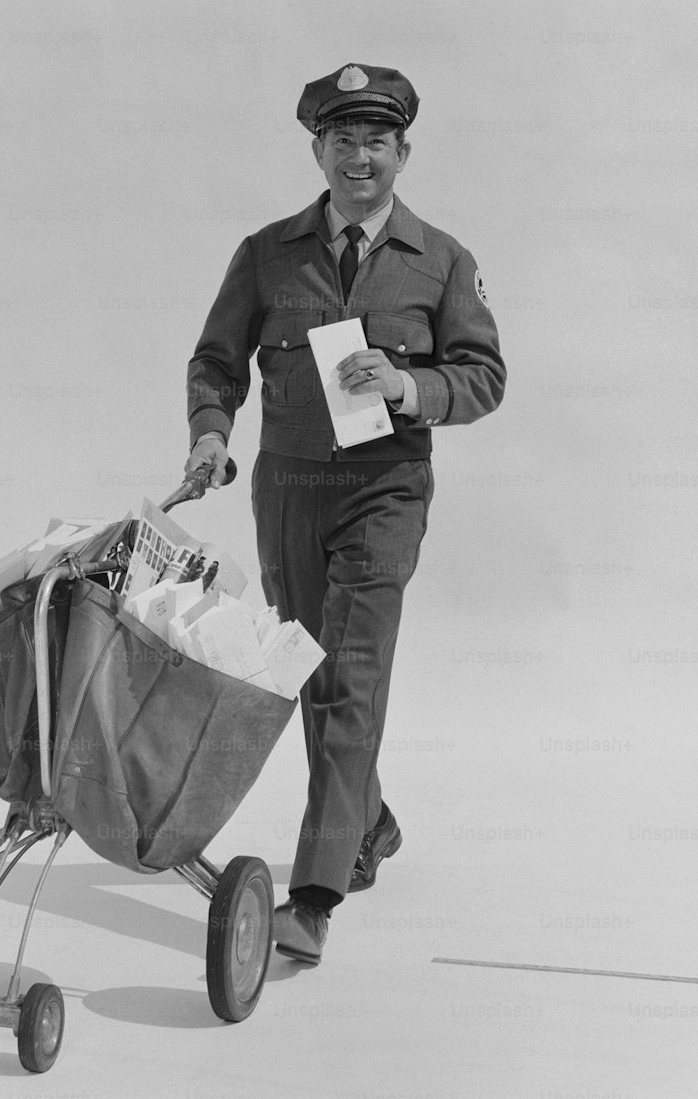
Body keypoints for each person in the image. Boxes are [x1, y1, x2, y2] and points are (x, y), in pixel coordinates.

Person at [184, 63, 506, 965]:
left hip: (385, 489)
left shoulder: (441, 261)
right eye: (341, 140)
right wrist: (211, 434)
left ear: (403, 152)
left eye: (376, 142)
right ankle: (370, 819)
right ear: (316, 149)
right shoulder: (266, 253)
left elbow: (485, 377)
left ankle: (316, 894)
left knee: (353, 676)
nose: (357, 158)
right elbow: (217, 361)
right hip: (286, 489)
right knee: (309, 676)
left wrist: (408, 384)